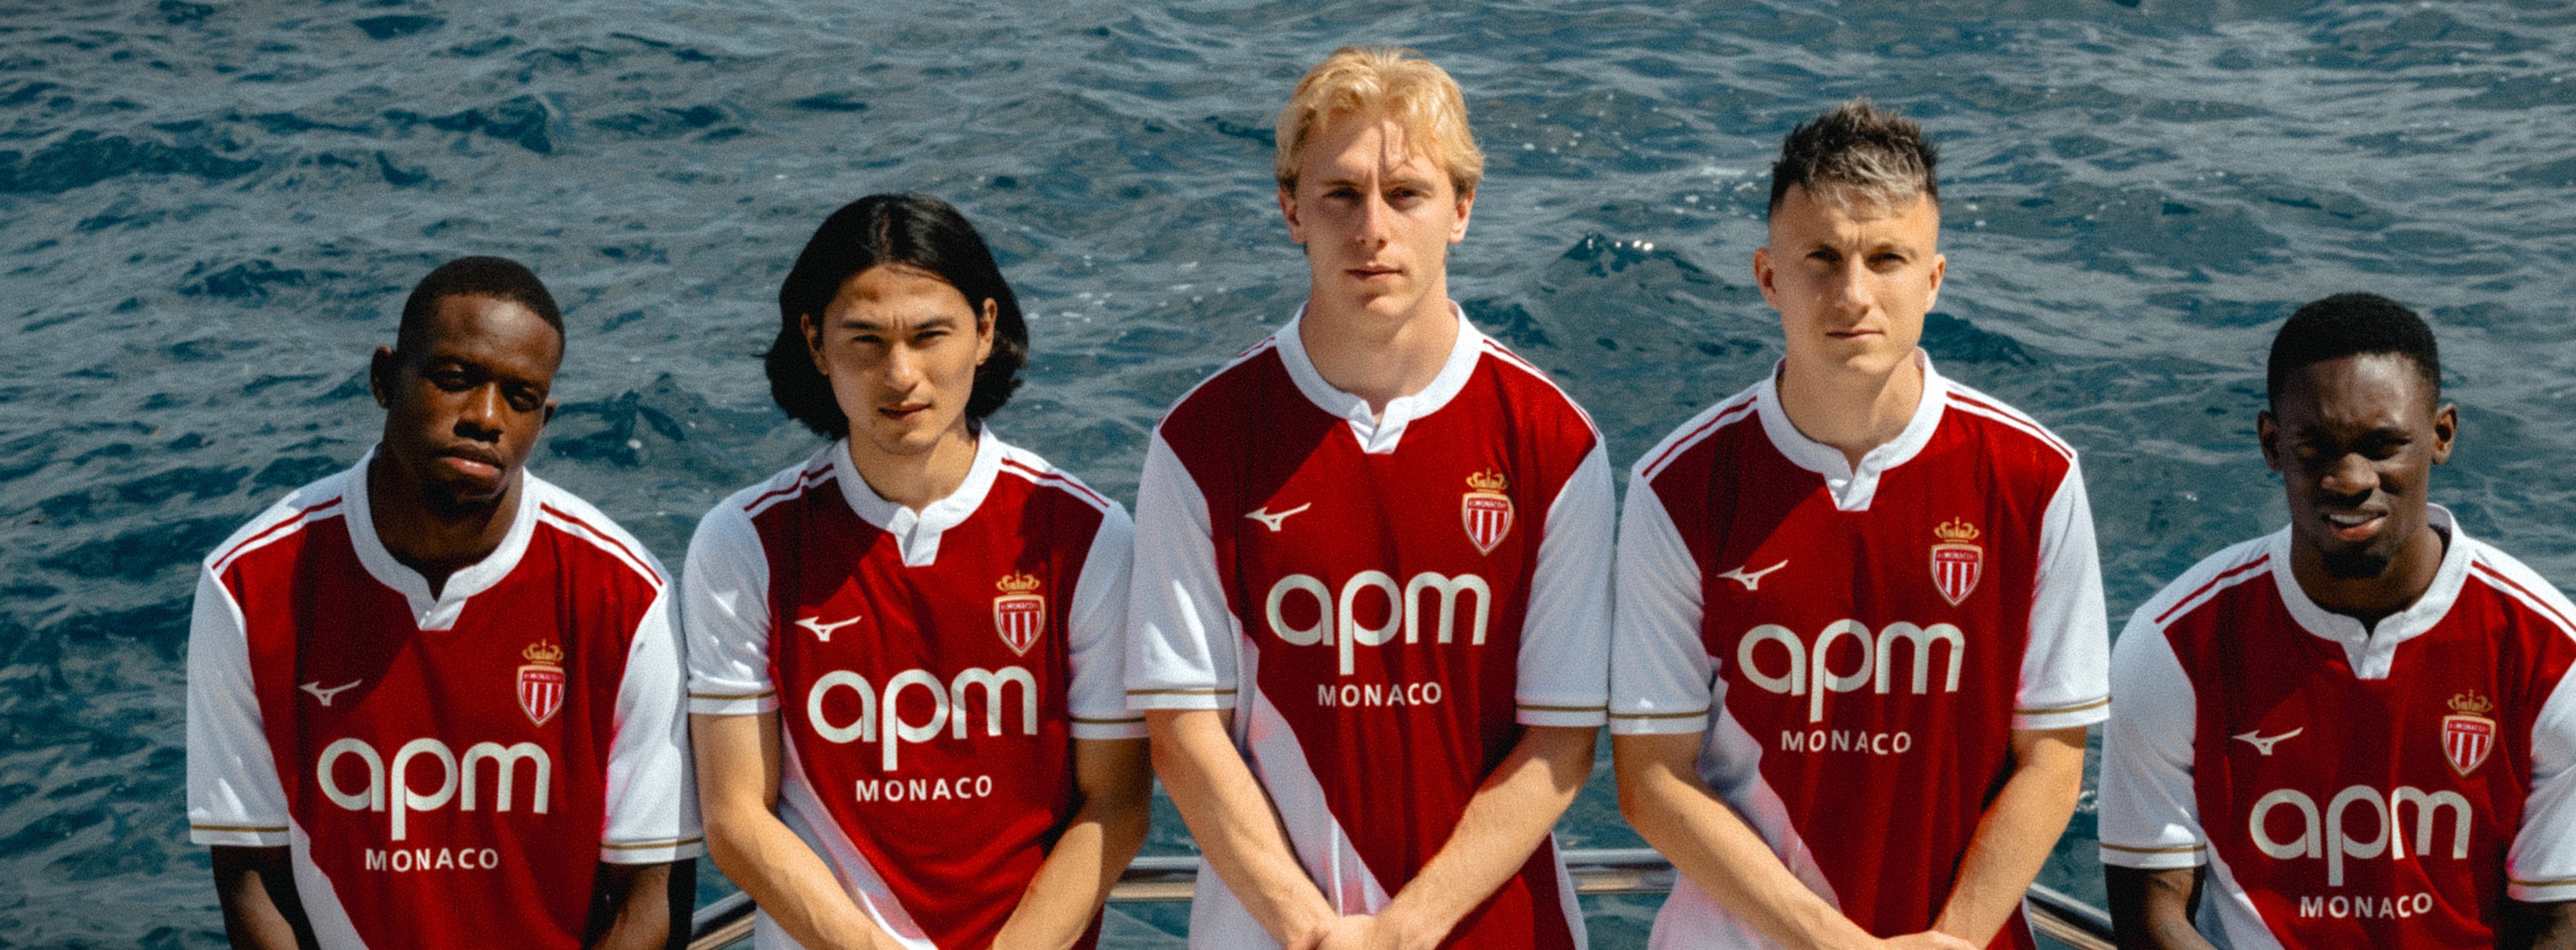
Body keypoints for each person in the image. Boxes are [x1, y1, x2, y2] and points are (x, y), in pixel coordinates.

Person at [1123, 46, 1613, 950]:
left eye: (1407, 193)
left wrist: (1401, 932)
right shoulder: (1200, 441)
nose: (1372, 229)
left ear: (1462, 209)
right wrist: (1312, 930)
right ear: (1291, 211)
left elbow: (1560, 742)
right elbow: (1183, 734)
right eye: (1341, 195)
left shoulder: (1554, 440)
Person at [1607, 100, 2111, 950]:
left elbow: (2054, 762)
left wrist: (1952, 941)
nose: (1853, 294)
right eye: (1822, 257)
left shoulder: (2034, 477)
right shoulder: (1680, 483)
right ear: (1768, 276)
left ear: (1934, 279)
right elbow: (1652, 778)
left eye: (1886, 259)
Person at [186, 256, 697, 949]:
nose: (486, 417)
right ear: (384, 379)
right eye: (455, 379)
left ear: (544, 419)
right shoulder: (250, 584)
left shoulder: (625, 593)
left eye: (520, 398)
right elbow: (253, 880)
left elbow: (651, 897)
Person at [683, 193, 1149, 949]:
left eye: (930, 335)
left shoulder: (1083, 535)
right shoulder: (744, 544)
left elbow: (1117, 804)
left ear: (985, 330)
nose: (901, 374)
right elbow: (736, 816)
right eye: (865, 341)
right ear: (815, 343)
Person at [2096, 294, 2576, 949]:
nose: (2350, 480)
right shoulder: (2173, 643)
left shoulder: (2557, 655)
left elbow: (2564, 924)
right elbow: (2152, 914)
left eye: (2383, 446)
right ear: (2272, 444)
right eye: (2314, 448)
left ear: (2442, 435)